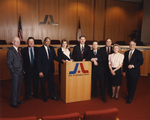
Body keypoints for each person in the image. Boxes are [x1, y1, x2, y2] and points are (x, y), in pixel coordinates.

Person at [37, 37, 66, 102]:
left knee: (51, 83)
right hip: (43, 70)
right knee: (43, 84)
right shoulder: (40, 49)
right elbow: (38, 61)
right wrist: (40, 71)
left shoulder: (52, 48)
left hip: (50, 69)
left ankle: (52, 96)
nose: (48, 42)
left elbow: (55, 57)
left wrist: (62, 60)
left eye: (49, 41)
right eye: (47, 41)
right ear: (44, 42)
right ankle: (44, 97)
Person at [7, 36, 24, 108]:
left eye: (19, 41)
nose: (18, 42)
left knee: (19, 87)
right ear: (13, 42)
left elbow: (20, 61)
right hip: (15, 72)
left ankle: (17, 100)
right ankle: (13, 103)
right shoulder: (10, 51)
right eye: (16, 41)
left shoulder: (18, 50)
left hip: (20, 71)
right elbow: (8, 63)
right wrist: (13, 71)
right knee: (14, 87)